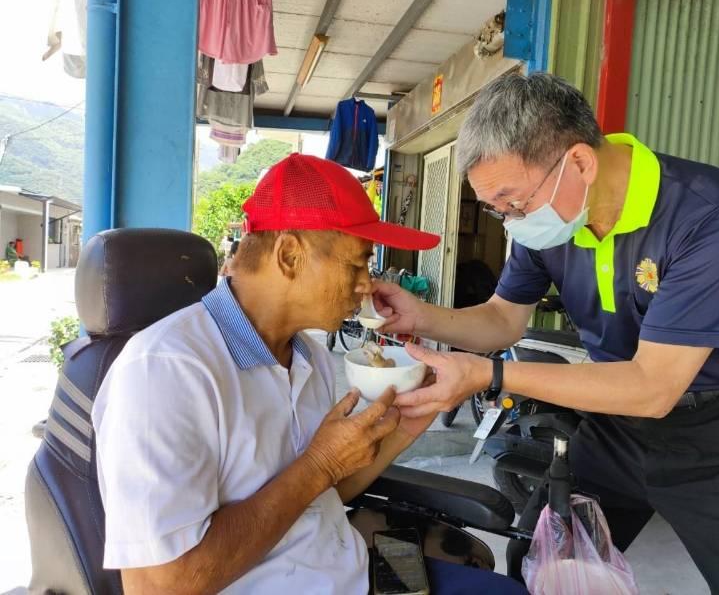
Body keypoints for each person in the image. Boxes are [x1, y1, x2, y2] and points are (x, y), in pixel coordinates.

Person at [374, 74, 719, 594]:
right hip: (619, 427)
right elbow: (503, 319)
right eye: (494, 208)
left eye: (513, 202)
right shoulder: (554, 219)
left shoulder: (710, 214)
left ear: (578, 162)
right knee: (543, 561)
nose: (509, 222)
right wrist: (420, 316)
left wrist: (491, 374)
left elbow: (654, 386)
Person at [93, 153, 528, 594]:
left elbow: (324, 497)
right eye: (357, 263)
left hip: (349, 573)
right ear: (288, 255)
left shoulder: (309, 357)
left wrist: (407, 423)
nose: (367, 285)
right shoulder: (165, 371)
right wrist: (318, 465)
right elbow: (158, 586)